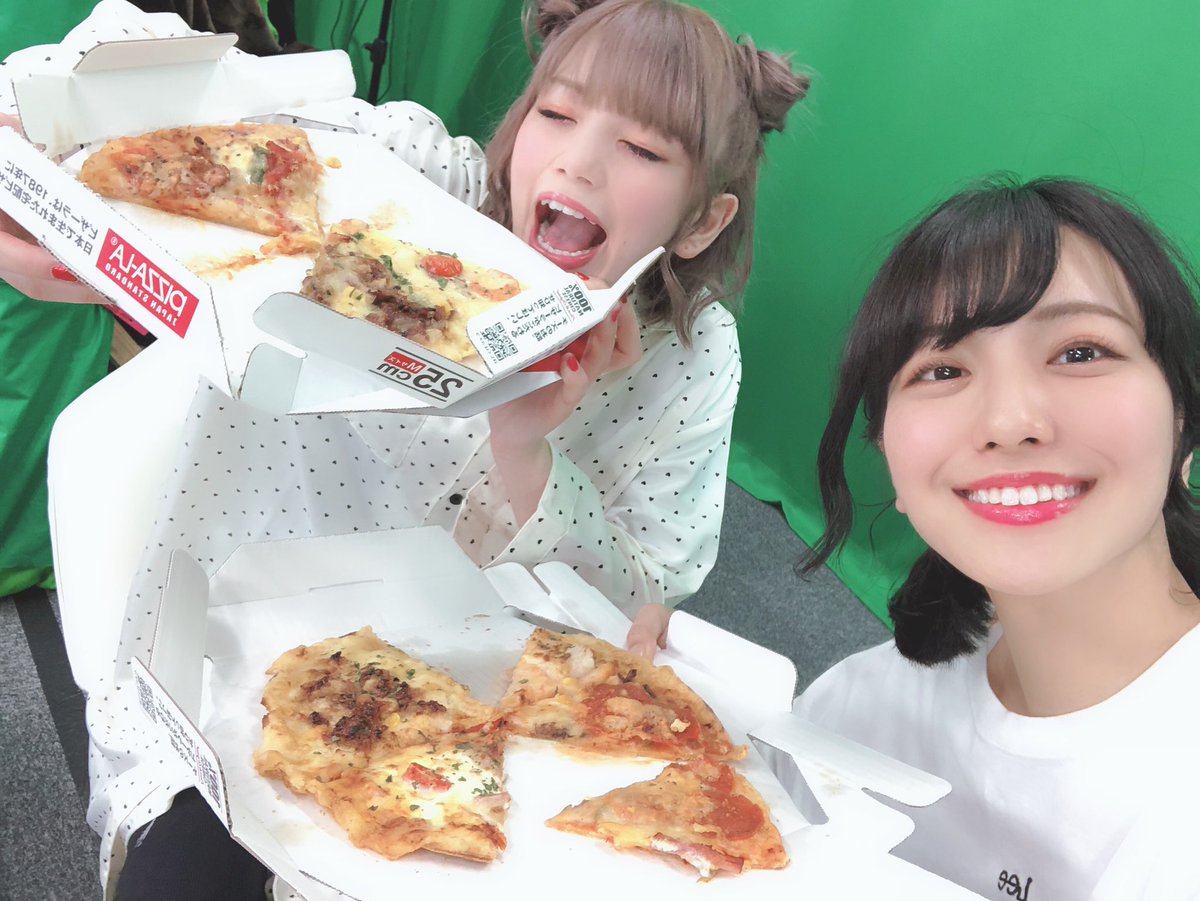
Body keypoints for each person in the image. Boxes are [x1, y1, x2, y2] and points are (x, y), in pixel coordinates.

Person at [0, 1, 808, 897]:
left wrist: (527, 453)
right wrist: (38, 142)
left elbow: (634, 612)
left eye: (644, 150)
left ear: (702, 222)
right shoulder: (418, 182)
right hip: (230, 672)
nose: (578, 162)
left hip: (490, 743)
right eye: (556, 112)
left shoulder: (692, 355)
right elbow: (151, 66)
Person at [792, 177, 1200, 900]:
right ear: (888, 453)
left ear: (1183, 420)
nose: (1011, 421)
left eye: (1081, 352)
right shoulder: (850, 717)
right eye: (942, 369)